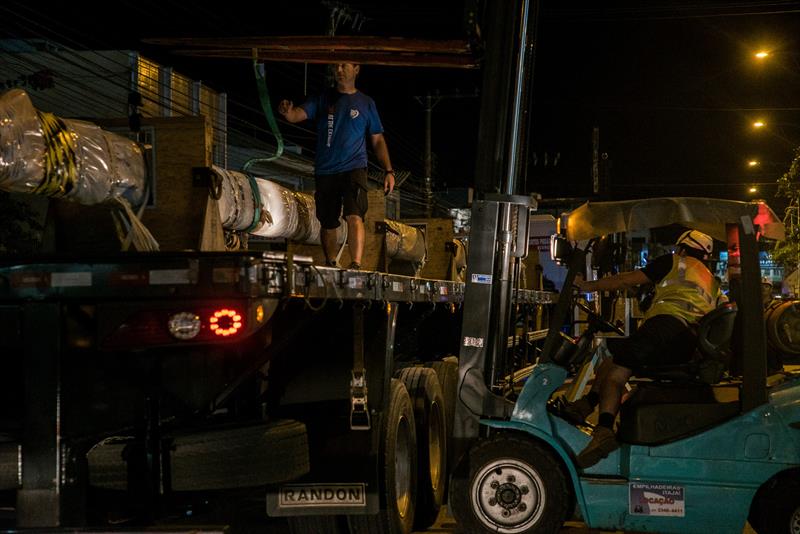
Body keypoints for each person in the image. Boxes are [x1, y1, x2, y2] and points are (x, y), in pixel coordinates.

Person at [563, 229, 727, 467]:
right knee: (615, 355)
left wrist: (588, 286)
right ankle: (585, 406)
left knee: (616, 374)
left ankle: (604, 431)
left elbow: (624, 279)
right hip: (687, 342)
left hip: (664, 328)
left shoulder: (674, 262)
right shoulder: (712, 281)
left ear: (681, 248)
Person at [278, 63, 395, 269]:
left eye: (344, 65)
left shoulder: (366, 103)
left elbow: (377, 140)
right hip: (326, 169)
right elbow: (297, 115)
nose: (339, 70)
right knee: (328, 220)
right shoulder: (322, 98)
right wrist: (287, 112)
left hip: (354, 168)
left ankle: (356, 263)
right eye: (336, 66)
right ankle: (331, 262)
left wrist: (388, 171)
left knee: (354, 214)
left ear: (356, 69)